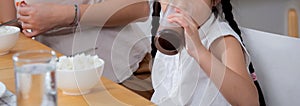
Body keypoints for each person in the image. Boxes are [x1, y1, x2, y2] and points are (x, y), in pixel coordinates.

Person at [14, 0, 153, 99]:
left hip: (120, 74)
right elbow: (11, 23)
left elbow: (139, 8)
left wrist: (64, 14)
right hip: (55, 78)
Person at [150, 0, 260, 105]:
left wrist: (199, 51)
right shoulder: (167, 34)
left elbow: (249, 101)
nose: (178, 4)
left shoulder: (221, 40)